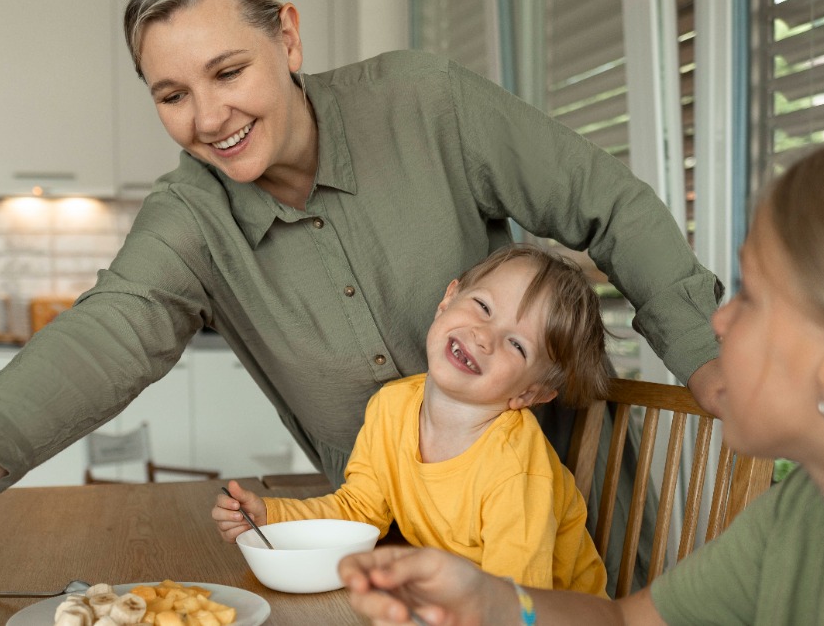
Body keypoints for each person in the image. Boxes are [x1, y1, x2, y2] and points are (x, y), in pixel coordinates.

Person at [0, 0, 725, 583]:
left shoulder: (424, 102)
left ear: (287, 37)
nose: (208, 117)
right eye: (172, 93)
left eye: (227, 71)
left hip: (558, 551)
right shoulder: (193, 216)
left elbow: (607, 202)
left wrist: (708, 357)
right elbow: (104, 334)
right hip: (365, 564)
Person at [338, 140, 824, 625]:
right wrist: (494, 600)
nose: (720, 320)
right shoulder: (807, 511)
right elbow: (622, 619)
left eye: (752, 297)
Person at [214, 245, 610, 594]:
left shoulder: (515, 470)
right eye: (484, 307)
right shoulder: (391, 408)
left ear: (529, 394)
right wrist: (272, 517)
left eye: (517, 344)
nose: (484, 336)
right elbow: (359, 510)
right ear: (448, 300)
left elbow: (517, 599)